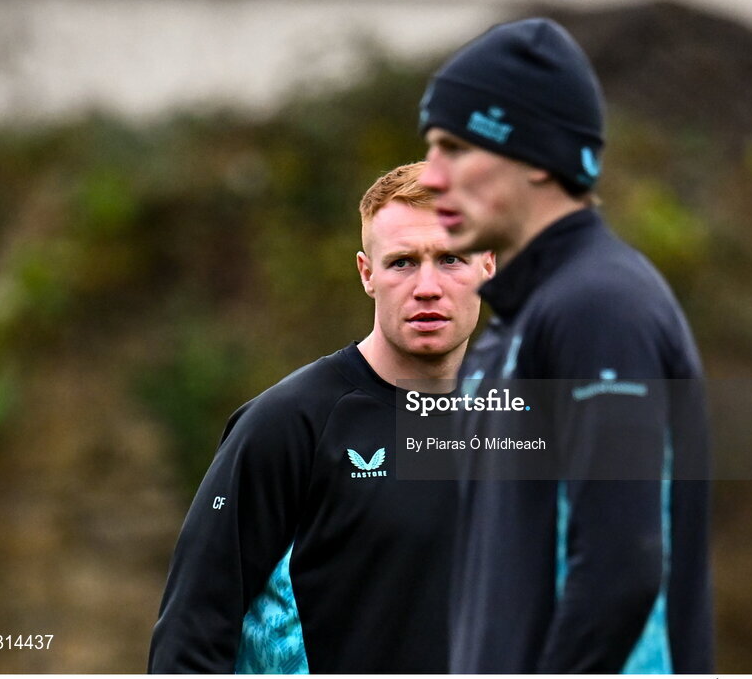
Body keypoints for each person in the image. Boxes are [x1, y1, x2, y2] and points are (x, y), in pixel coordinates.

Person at [417, 18, 714, 673]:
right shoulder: (509, 328)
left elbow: (621, 566)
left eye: (455, 147)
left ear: (536, 156)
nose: (430, 176)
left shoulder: (599, 308)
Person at [147, 162, 495, 673]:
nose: (427, 286)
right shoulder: (289, 424)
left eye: (450, 259)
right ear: (366, 273)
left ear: (489, 264)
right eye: (401, 262)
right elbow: (190, 637)